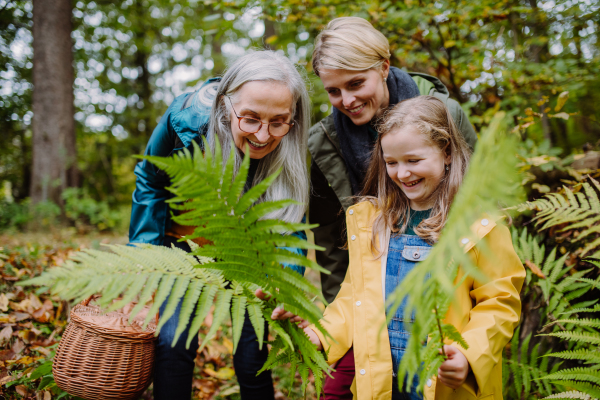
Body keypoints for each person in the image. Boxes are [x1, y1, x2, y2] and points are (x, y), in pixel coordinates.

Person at [304, 96, 525, 399]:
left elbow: (498, 304)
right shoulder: (374, 222)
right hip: (383, 379)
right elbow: (354, 300)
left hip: (442, 380)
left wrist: (467, 355)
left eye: (414, 161)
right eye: (391, 163)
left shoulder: (480, 226)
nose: (402, 174)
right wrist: (319, 333)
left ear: (446, 152)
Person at [306, 17, 478, 397]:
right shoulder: (323, 143)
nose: (347, 101)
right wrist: (344, 323)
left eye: (355, 84)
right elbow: (332, 240)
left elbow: (479, 204)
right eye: (333, 91)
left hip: (441, 292)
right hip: (368, 290)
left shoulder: (444, 114)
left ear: (383, 67)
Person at [128, 50, 311, 400]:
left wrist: (284, 280)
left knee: (253, 349)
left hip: (250, 247)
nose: (263, 135)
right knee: (173, 340)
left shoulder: (291, 141)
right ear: (226, 105)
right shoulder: (185, 121)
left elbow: (290, 222)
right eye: (251, 119)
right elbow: (150, 179)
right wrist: (146, 258)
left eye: (278, 121)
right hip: (184, 243)